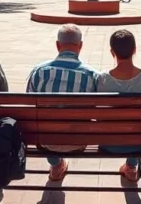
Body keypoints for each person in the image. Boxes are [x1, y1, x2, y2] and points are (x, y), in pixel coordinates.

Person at [27, 24, 99, 181]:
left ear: (57, 45)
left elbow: (29, 107)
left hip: (46, 140)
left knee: (45, 125)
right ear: (80, 46)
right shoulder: (92, 75)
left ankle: (56, 164)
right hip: (79, 141)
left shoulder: (39, 72)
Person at [96, 30, 141, 183]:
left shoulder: (103, 79)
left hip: (109, 142)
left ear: (112, 52)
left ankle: (131, 167)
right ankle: (131, 167)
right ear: (134, 50)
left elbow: (98, 116)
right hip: (140, 143)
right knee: (138, 131)